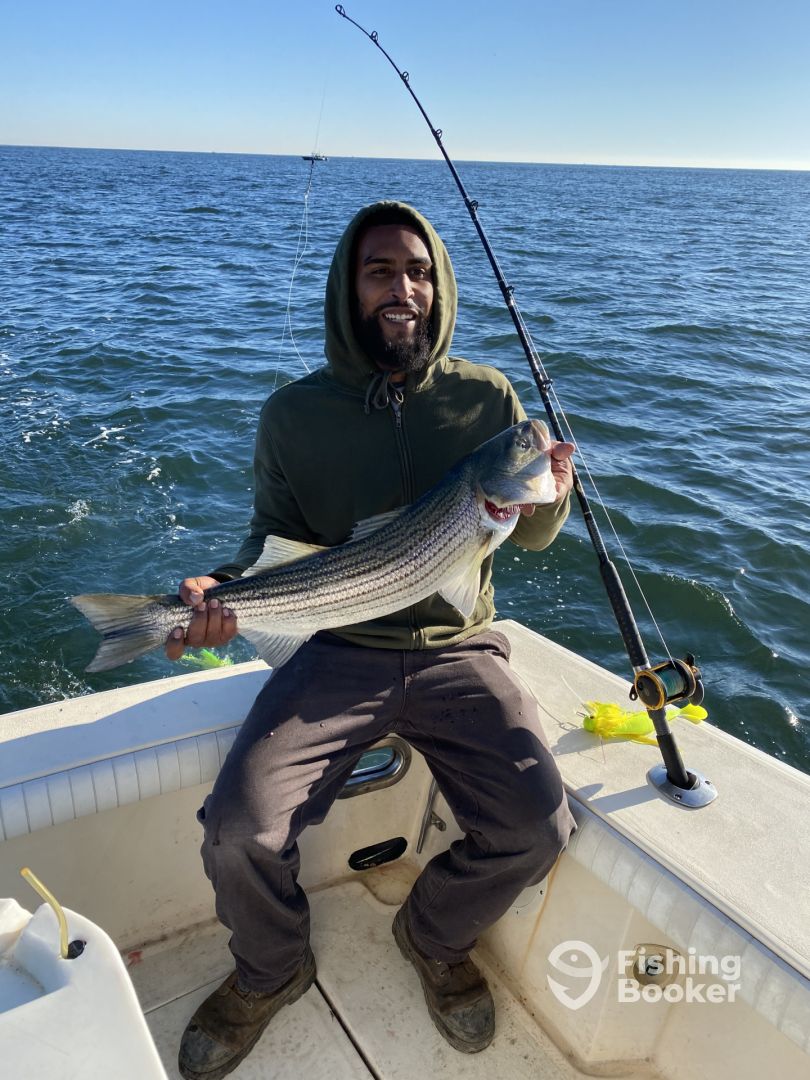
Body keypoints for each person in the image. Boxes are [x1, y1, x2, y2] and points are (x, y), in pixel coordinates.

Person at [171, 202, 577, 1080]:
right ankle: (272, 969)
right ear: (348, 288)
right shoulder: (293, 414)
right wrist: (218, 590)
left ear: (440, 286)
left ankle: (432, 935)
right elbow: (271, 539)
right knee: (237, 831)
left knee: (538, 824)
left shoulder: (488, 398)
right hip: (334, 643)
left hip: (458, 646)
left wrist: (552, 487)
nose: (403, 289)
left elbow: (535, 533)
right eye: (380, 271)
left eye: (419, 271)